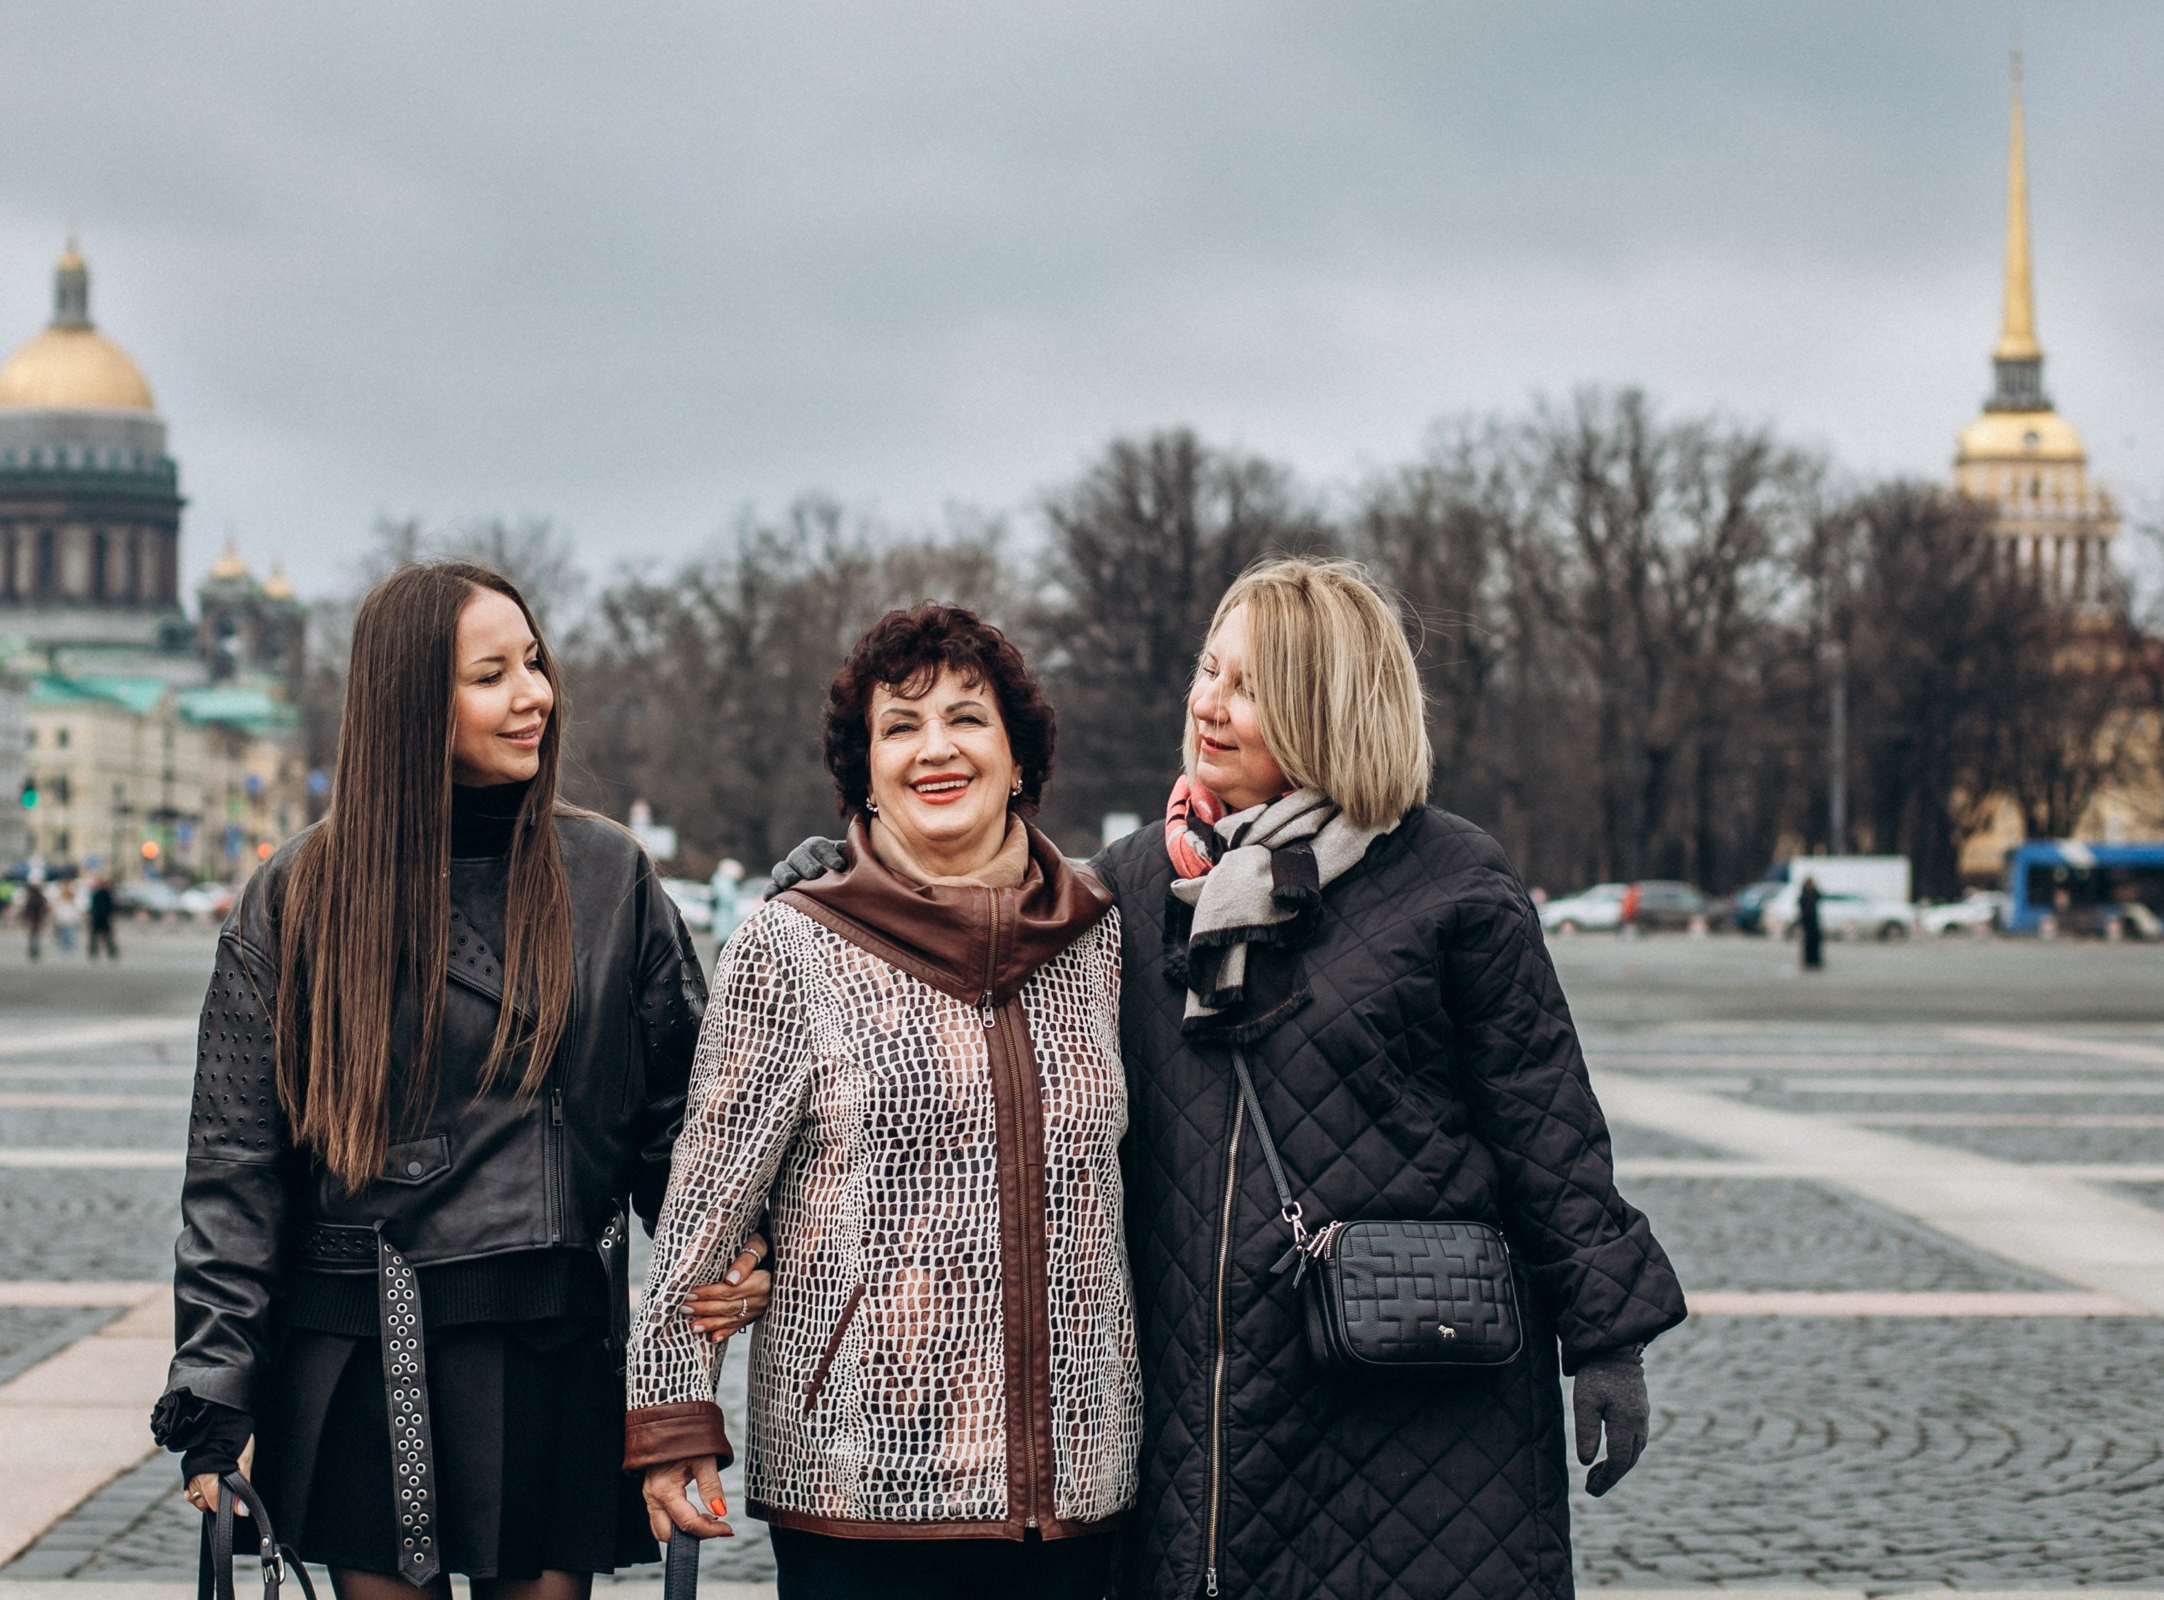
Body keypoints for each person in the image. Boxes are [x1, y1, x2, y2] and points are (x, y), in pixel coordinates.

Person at [773, 558, 1683, 1599]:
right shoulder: (1132, 879)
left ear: (1324, 703)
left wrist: (1608, 1336)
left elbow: (1546, 1122)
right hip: (1206, 1387)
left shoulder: (1453, 880)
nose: (1207, 701)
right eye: (1209, 671)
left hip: (1410, 1386)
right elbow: (978, 945)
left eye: (1244, 684)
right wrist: (861, 877)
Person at [154, 561, 768, 1600]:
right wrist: (216, 1395)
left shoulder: (610, 876)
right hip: (361, 1345)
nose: (535, 693)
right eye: (493, 674)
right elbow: (235, 1173)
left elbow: (685, 1129)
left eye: (535, 662)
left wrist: (734, 1253)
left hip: (552, 1338)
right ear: (410, 701)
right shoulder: (298, 894)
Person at [627, 603, 1138, 1600]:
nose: (934, 748)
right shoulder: (794, 944)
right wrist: (672, 1417)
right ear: (864, 768)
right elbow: (703, 1210)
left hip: (1080, 1483)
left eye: (966, 718)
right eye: (899, 727)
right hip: (862, 1485)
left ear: (1018, 754)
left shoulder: (1101, 937)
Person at [85, 873, 119, 961]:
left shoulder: (102, 894)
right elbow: (111, 906)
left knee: (103, 936)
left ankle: (96, 952)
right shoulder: (106, 894)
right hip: (101, 917)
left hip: (99, 917)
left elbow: (94, 906)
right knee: (104, 936)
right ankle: (107, 952)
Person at [20, 875, 50, 960]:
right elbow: (45, 909)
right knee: (35, 936)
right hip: (37, 919)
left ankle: (33, 951)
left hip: (34, 919)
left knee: (33, 936)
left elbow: (27, 910)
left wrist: (25, 918)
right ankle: (35, 951)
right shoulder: (39, 897)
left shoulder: (31, 898)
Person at [49, 875, 81, 954]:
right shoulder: (71, 894)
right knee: (68, 932)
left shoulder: (62, 894)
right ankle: (68, 947)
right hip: (68, 917)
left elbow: (56, 906)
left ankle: (65, 947)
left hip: (64, 917)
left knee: (65, 933)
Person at [1798, 874, 1824, 971]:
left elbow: (1820, 897)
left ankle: (1815, 961)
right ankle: (1809, 961)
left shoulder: (1813, 893)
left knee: (1815, 942)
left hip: (1813, 921)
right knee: (1808, 943)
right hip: (1807, 922)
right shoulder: (1804, 895)